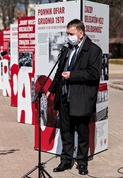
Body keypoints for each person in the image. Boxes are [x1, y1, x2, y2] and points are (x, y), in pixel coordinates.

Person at [46, 19, 102, 175]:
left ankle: (82, 162)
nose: (68, 36)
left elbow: (94, 73)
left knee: (83, 134)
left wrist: (73, 75)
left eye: (71, 34)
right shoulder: (67, 49)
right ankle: (66, 161)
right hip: (65, 98)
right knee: (66, 132)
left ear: (80, 33)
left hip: (82, 99)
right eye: (67, 33)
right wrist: (52, 88)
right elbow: (59, 71)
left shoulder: (93, 50)